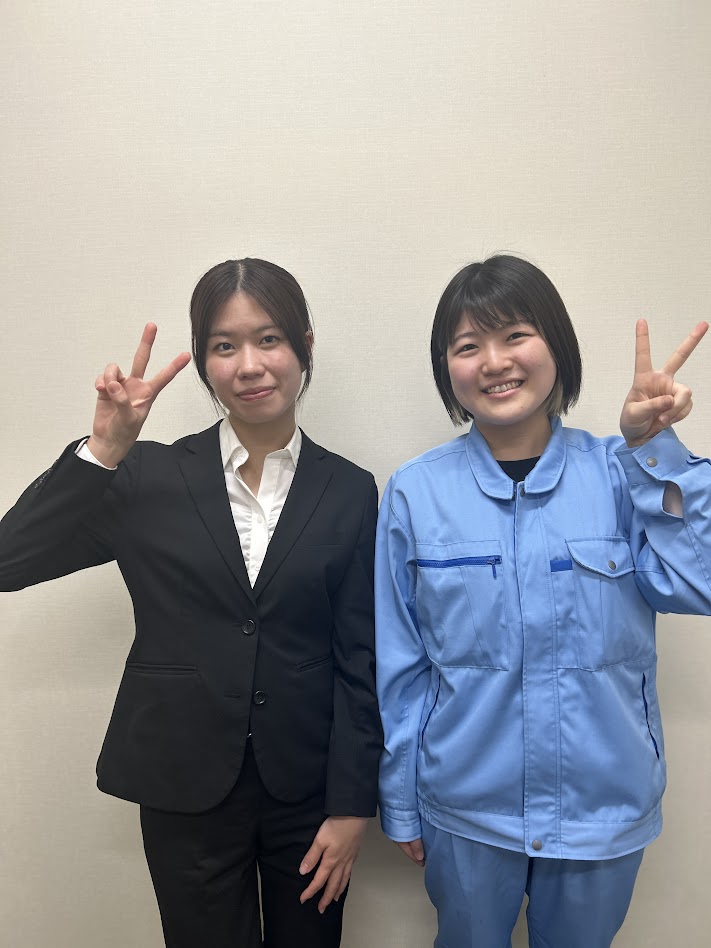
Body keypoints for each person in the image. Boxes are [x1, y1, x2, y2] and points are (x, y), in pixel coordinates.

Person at [0, 258, 382, 948]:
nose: (249, 365)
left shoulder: (351, 490)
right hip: (183, 782)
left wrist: (354, 804)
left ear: (304, 346)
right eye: (224, 345)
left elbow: (361, 656)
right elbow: (9, 562)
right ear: (204, 361)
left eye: (268, 339)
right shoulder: (144, 475)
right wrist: (103, 450)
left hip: (308, 788)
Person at [375, 254, 710, 948]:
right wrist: (401, 801)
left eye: (515, 336)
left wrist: (656, 451)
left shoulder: (621, 473)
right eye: (468, 345)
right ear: (447, 368)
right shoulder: (415, 492)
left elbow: (697, 583)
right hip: (466, 809)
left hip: (601, 808)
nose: (494, 362)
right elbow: (402, 664)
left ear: (556, 345)